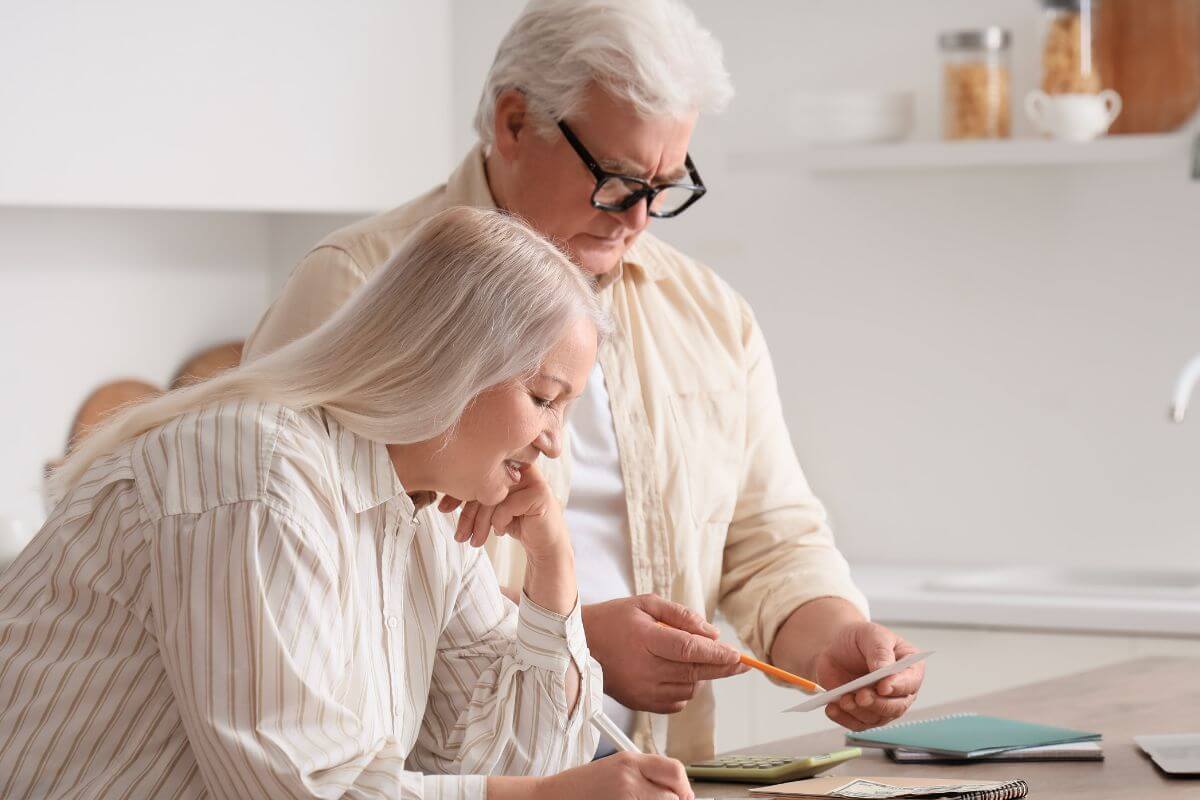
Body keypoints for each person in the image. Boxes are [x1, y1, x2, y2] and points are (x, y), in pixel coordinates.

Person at [245, 0, 925, 762]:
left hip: (649, 767)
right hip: (431, 775)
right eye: (617, 179)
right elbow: (284, 562)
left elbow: (772, 540)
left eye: (666, 186)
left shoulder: (708, 314)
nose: (639, 219)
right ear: (512, 124)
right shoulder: (357, 287)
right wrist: (568, 635)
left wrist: (831, 637)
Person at [0, 208, 697, 800]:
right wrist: (546, 799)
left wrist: (555, 566)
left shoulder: (427, 513)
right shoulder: (258, 473)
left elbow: (506, 762)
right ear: (451, 359)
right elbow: (298, 787)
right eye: (543, 399)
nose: (551, 442)